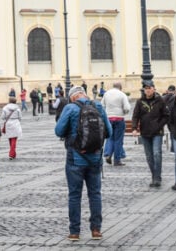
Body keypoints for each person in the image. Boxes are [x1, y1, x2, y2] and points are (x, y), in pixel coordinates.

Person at [54, 85, 111, 241]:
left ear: (73, 97)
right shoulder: (98, 106)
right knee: (95, 194)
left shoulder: (70, 108)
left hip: (75, 158)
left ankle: (74, 232)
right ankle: (96, 230)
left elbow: (58, 131)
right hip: (95, 158)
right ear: (84, 94)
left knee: (74, 195)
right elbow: (109, 132)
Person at [130, 80, 169, 187]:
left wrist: (159, 125)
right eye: (146, 88)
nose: (147, 90)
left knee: (156, 154)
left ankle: (157, 177)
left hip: (157, 132)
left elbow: (166, 115)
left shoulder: (160, 100)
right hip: (145, 132)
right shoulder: (140, 102)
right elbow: (135, 116)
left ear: (154, 89)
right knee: (149, 156)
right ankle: (154, 176)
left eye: (149, 88)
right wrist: (134, 128)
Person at [102, 81, 131, 167]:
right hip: (119, 118)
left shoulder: (106, 94)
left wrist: (106, 113)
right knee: (118, 140)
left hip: (108, 118)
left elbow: (102, 105)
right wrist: (124, 113)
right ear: (120, 87)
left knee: (110, 138)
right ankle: (117, 160)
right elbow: (127, 107)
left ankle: (108, 153)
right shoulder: (122, 94)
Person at [0, 94, 22, 159]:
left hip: (8, 124)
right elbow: (20, 117)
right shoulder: (17, 109)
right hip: (15, 123)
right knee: (14, 139)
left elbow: (2, 117)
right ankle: (12, 154)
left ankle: (12, 153)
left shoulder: (5, 108)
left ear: (9, 101)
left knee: (10, 138)